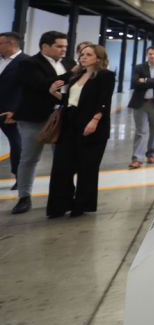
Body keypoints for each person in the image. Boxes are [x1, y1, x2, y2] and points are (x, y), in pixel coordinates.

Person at [46, 45, 116, 218]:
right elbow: (70, 100)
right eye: (82, 54)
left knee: (87, 167)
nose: (83, 57)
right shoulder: (76, 75)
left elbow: (104, 101)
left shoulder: (105, 76)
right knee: (61, 166)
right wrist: (54, 92)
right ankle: (60, 205)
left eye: (88, 54)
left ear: (98, 58)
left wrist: (95, 120)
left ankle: (81, 204)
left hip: (92, 125)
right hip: (69, 123)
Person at [11, 31, 69, 214]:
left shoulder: (68, 63)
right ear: (45, 46)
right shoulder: (29, 63)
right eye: (59, 46)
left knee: (62, 159)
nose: (63, 50)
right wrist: (71, 75)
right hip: (34, 118)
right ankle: (24, 196)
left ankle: (62, 196)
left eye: (65, 47)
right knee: (29, 158)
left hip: (62, 117)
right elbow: (42, 85)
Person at [128, 46, 154, 169]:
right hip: (140, 103)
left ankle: (151, 154)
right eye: (150, 54)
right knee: (140, 131)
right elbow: (135, 83)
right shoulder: (139, 67)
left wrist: (145, 80)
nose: (152, 56)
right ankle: (137, 158)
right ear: (147, 54)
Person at [0, 32, 30, 186]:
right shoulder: (1, 60)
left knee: (17, 143)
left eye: (0, 44)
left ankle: (20, 177)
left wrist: (16, 111)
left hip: (10, 111)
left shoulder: (26, 62)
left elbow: (27, 90)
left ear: (11, 44)